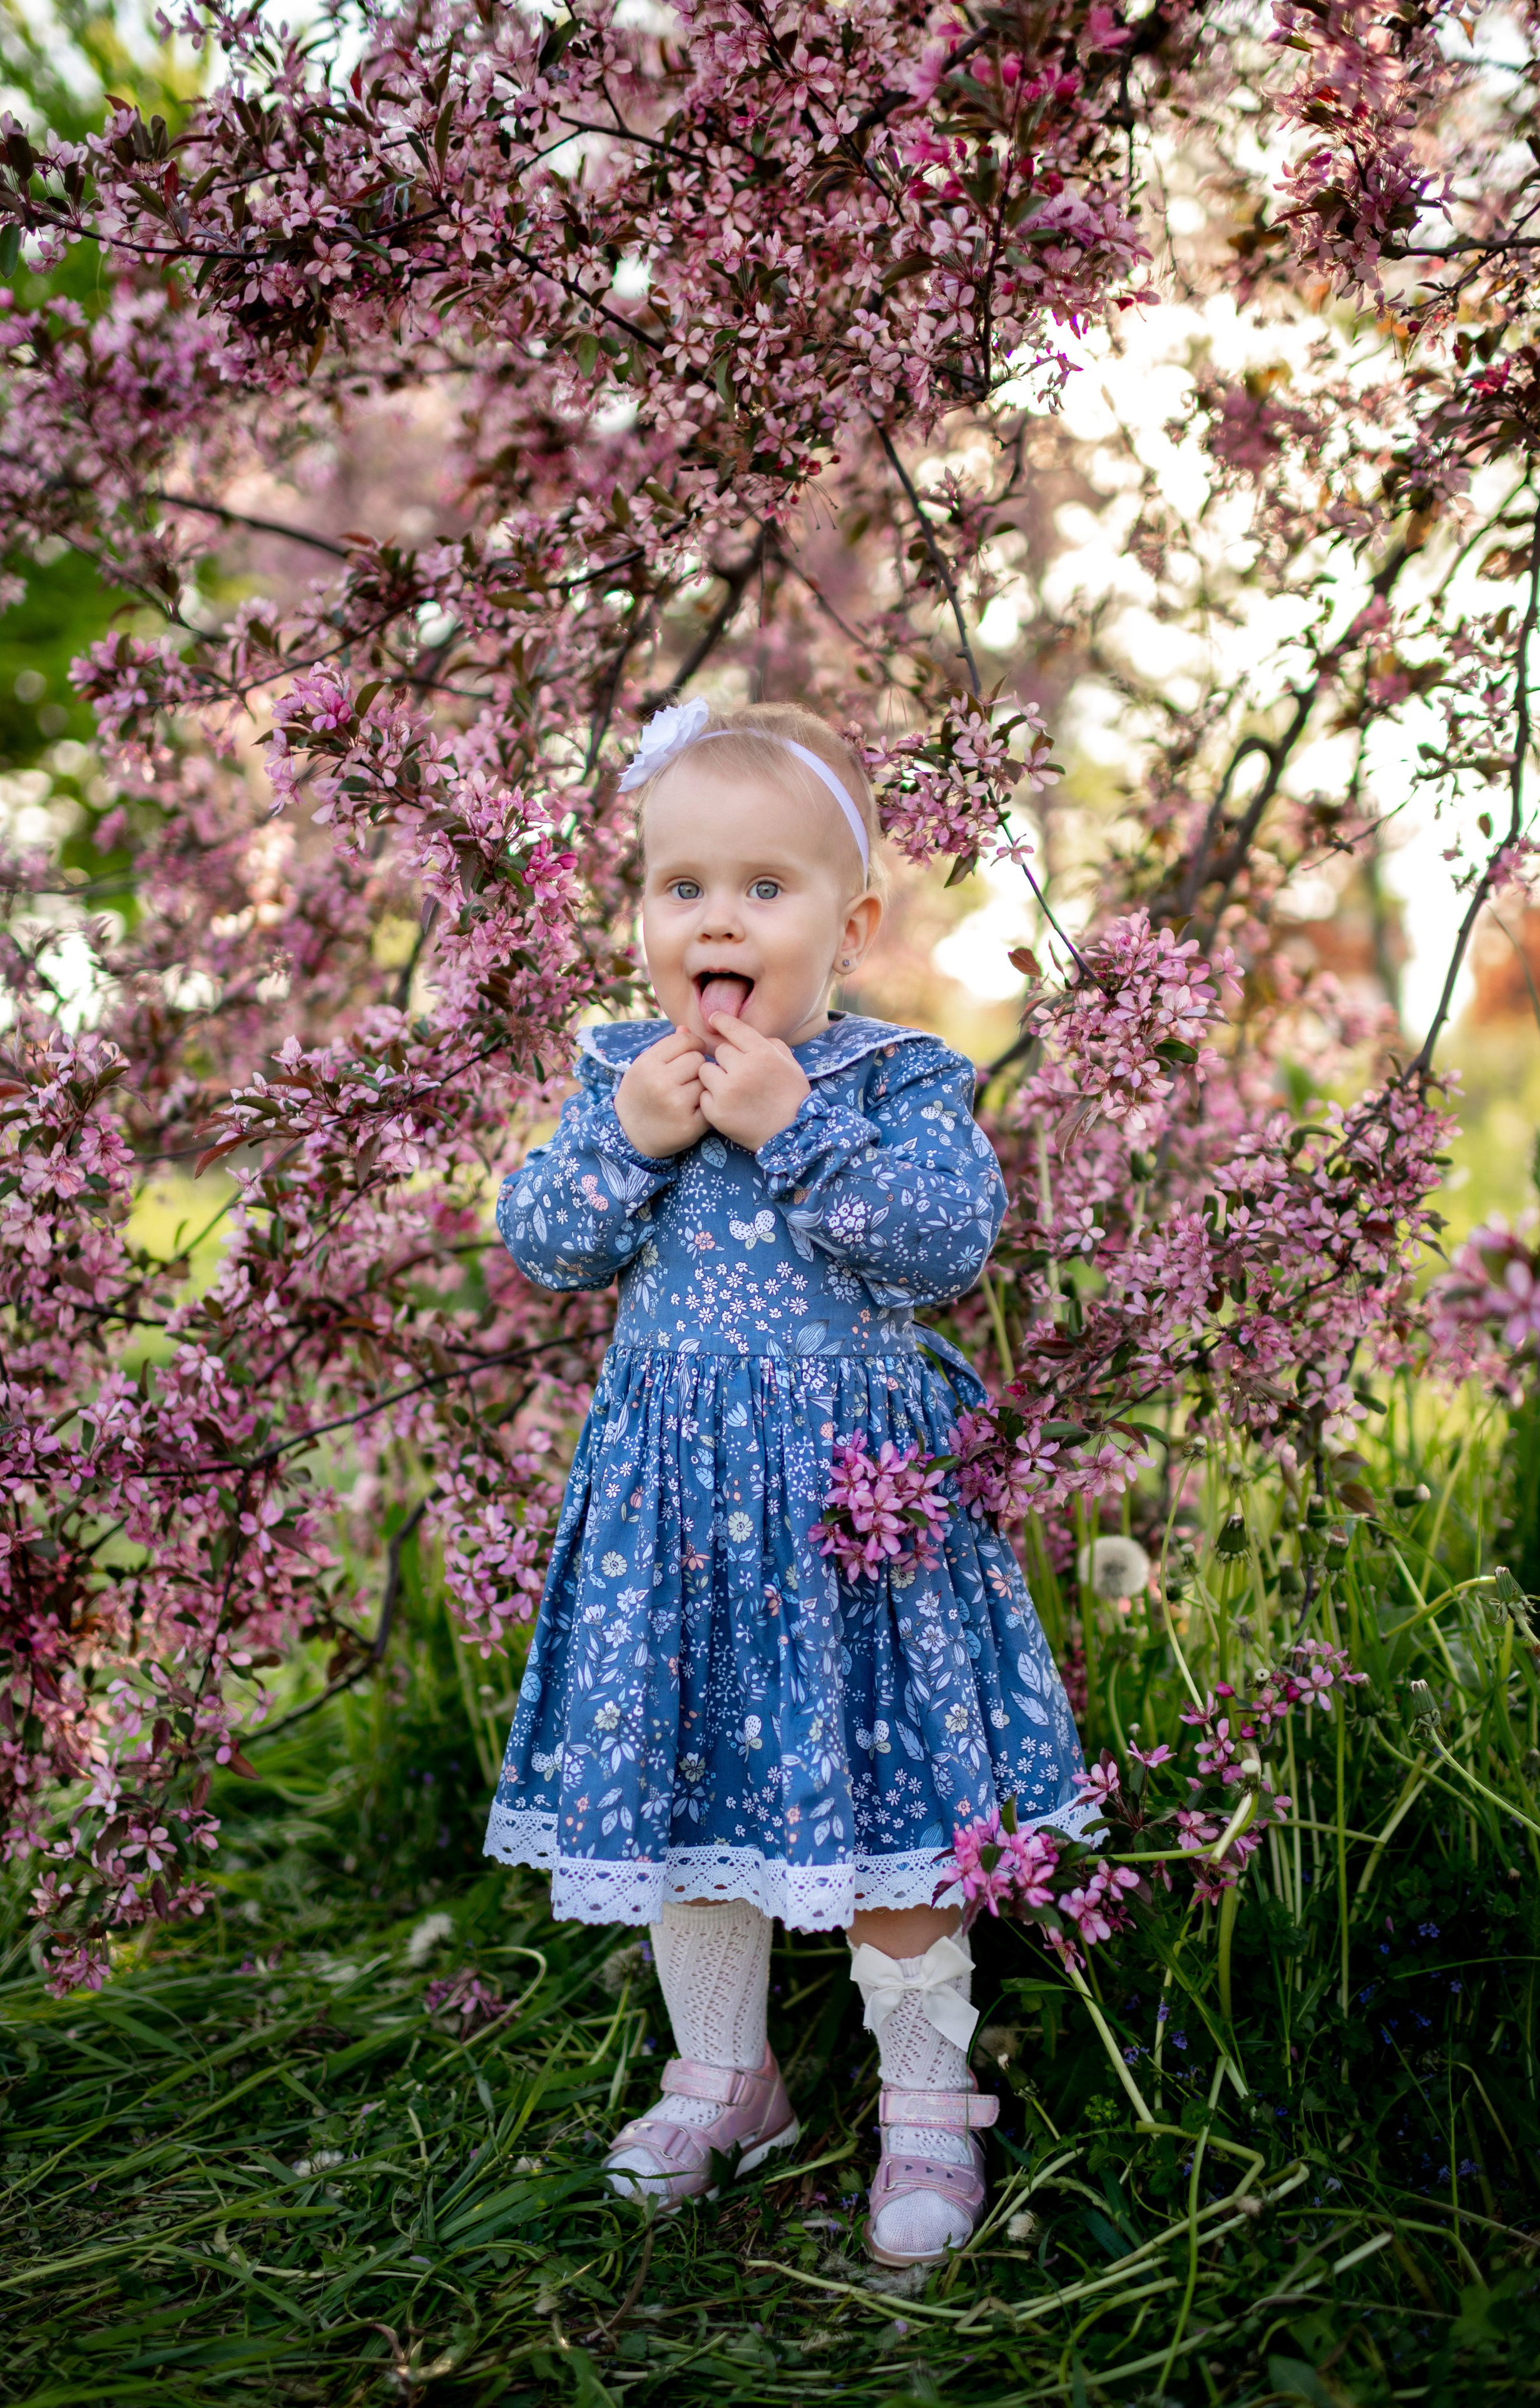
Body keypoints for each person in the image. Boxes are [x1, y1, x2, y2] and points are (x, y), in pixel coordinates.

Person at [484, 698, 1091, 2265]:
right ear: (640, 921)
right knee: (690, 1805)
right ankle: (724, 2072)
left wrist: (793, 1127)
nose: (716, 919)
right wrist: (625, 1138)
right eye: (680, 887)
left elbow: (942, 1243)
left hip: (854, 1518)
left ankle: (924, 2096)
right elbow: (545, 1241)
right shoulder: (625, 1075)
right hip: (676, 1522)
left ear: (854, 920)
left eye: (764, 886)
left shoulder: (891, 1082)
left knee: (894, 1801)